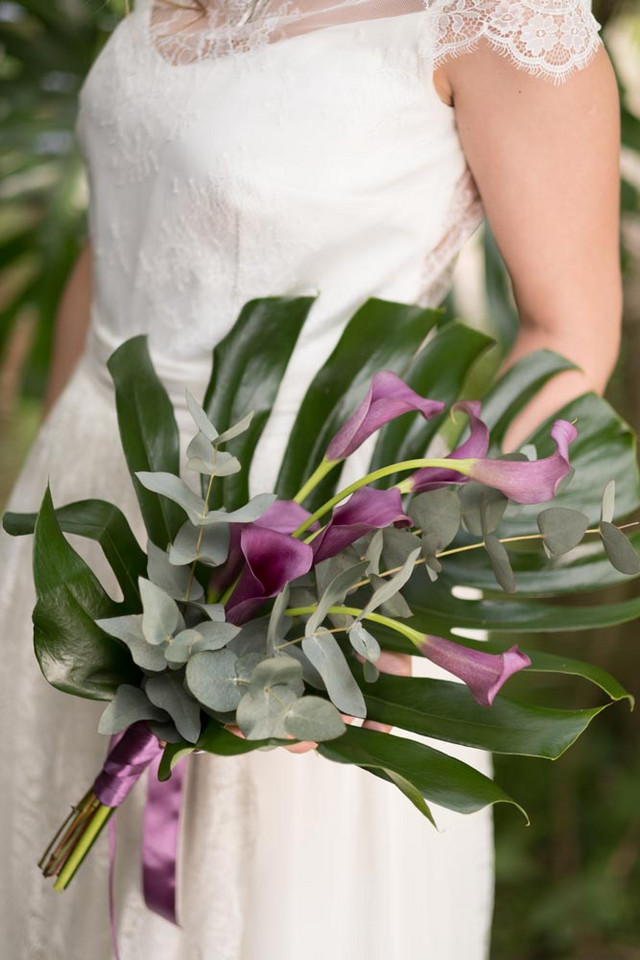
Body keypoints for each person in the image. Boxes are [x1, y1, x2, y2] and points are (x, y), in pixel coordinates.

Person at [0, 1, 623, 958]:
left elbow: (567, 332)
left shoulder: (499, 22)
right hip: (89, 509)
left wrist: (386, 588)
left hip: (291, 538)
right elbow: (125, 228)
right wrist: (50, 484)